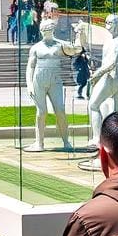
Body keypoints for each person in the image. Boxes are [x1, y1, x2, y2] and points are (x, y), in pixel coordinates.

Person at [25, 18, 81, 151]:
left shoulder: (60, 45)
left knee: (60, 111)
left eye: (49, 29)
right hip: (39, 79)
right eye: (44, 29)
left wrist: (79, 33)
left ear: (53, 30)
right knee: (41, 112)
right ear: (41, 31)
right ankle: (39, 143)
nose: (47, 32)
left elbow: (77, 50)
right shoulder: (36, 48)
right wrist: (29, 84)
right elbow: (30, 67)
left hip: (55, 79)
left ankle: (66, 141)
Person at [87, 14, 118, 150]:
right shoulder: (112, 40)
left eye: (110, 23)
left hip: (113, 77)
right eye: (106, 22)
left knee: (94, 105)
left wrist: (97, 75)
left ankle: (98, 138)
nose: (108, 26)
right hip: (115, 77)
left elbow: (112, 63)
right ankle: (116, 141)